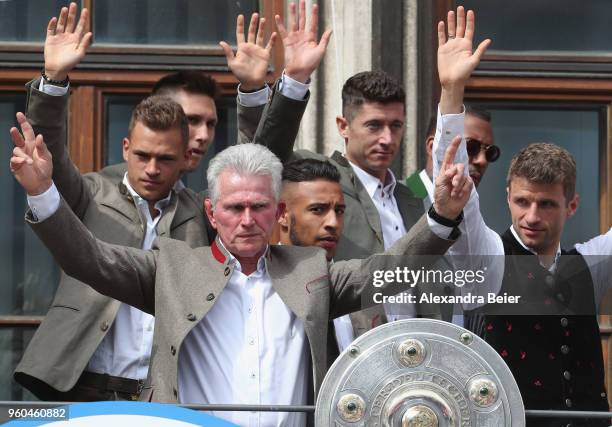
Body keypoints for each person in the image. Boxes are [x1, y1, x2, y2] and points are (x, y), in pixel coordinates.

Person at [11, 138, 470, 426]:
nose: (247, 220)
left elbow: (387, 272)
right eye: (234, 208)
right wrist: (42, 194)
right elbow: (90, 259)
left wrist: (443, 215)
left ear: (277, 212)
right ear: (211, 212)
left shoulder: (311, 271)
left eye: (259, 207)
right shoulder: (171, 268)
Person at [241, 3, 489, 337]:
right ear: (343, 125)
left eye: (396, 126)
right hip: (352, 355)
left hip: (419, 355)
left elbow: (448, 173)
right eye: (374, 126)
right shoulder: (323, 180)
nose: (387, 138)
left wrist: (451, 90)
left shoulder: (413, 192)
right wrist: (296, 80)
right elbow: (261, 160)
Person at [13, 4, 214, 401]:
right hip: (80, 383)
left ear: (186, 159)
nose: (152, 168)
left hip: (165, 391)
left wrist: (276, 89)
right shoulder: (90, 192)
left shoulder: (202, 212)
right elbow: (46, 148)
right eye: (142, 155)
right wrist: (53, 79)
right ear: (126, 147)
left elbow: (260, 170)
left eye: (166, 159)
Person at [431, 7, 610, 425]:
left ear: (572, 206)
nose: (532, 215)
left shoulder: (591, 263)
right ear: (508, 196)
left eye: (547, 204)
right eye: (523, 201)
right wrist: (452, 91)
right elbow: (453, 174)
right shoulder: (487, 255)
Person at [277, 158, 356, 353]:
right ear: (282, 214)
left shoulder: (355, 284)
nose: (333, 223)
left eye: (339, 211)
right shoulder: (262, 288)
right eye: (317, 210)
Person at [404, 106, 498, 202]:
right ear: (433, 147)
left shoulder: (469, 209)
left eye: (490, 153)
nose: (482, 160)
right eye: (471, 147)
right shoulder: (397, 198)